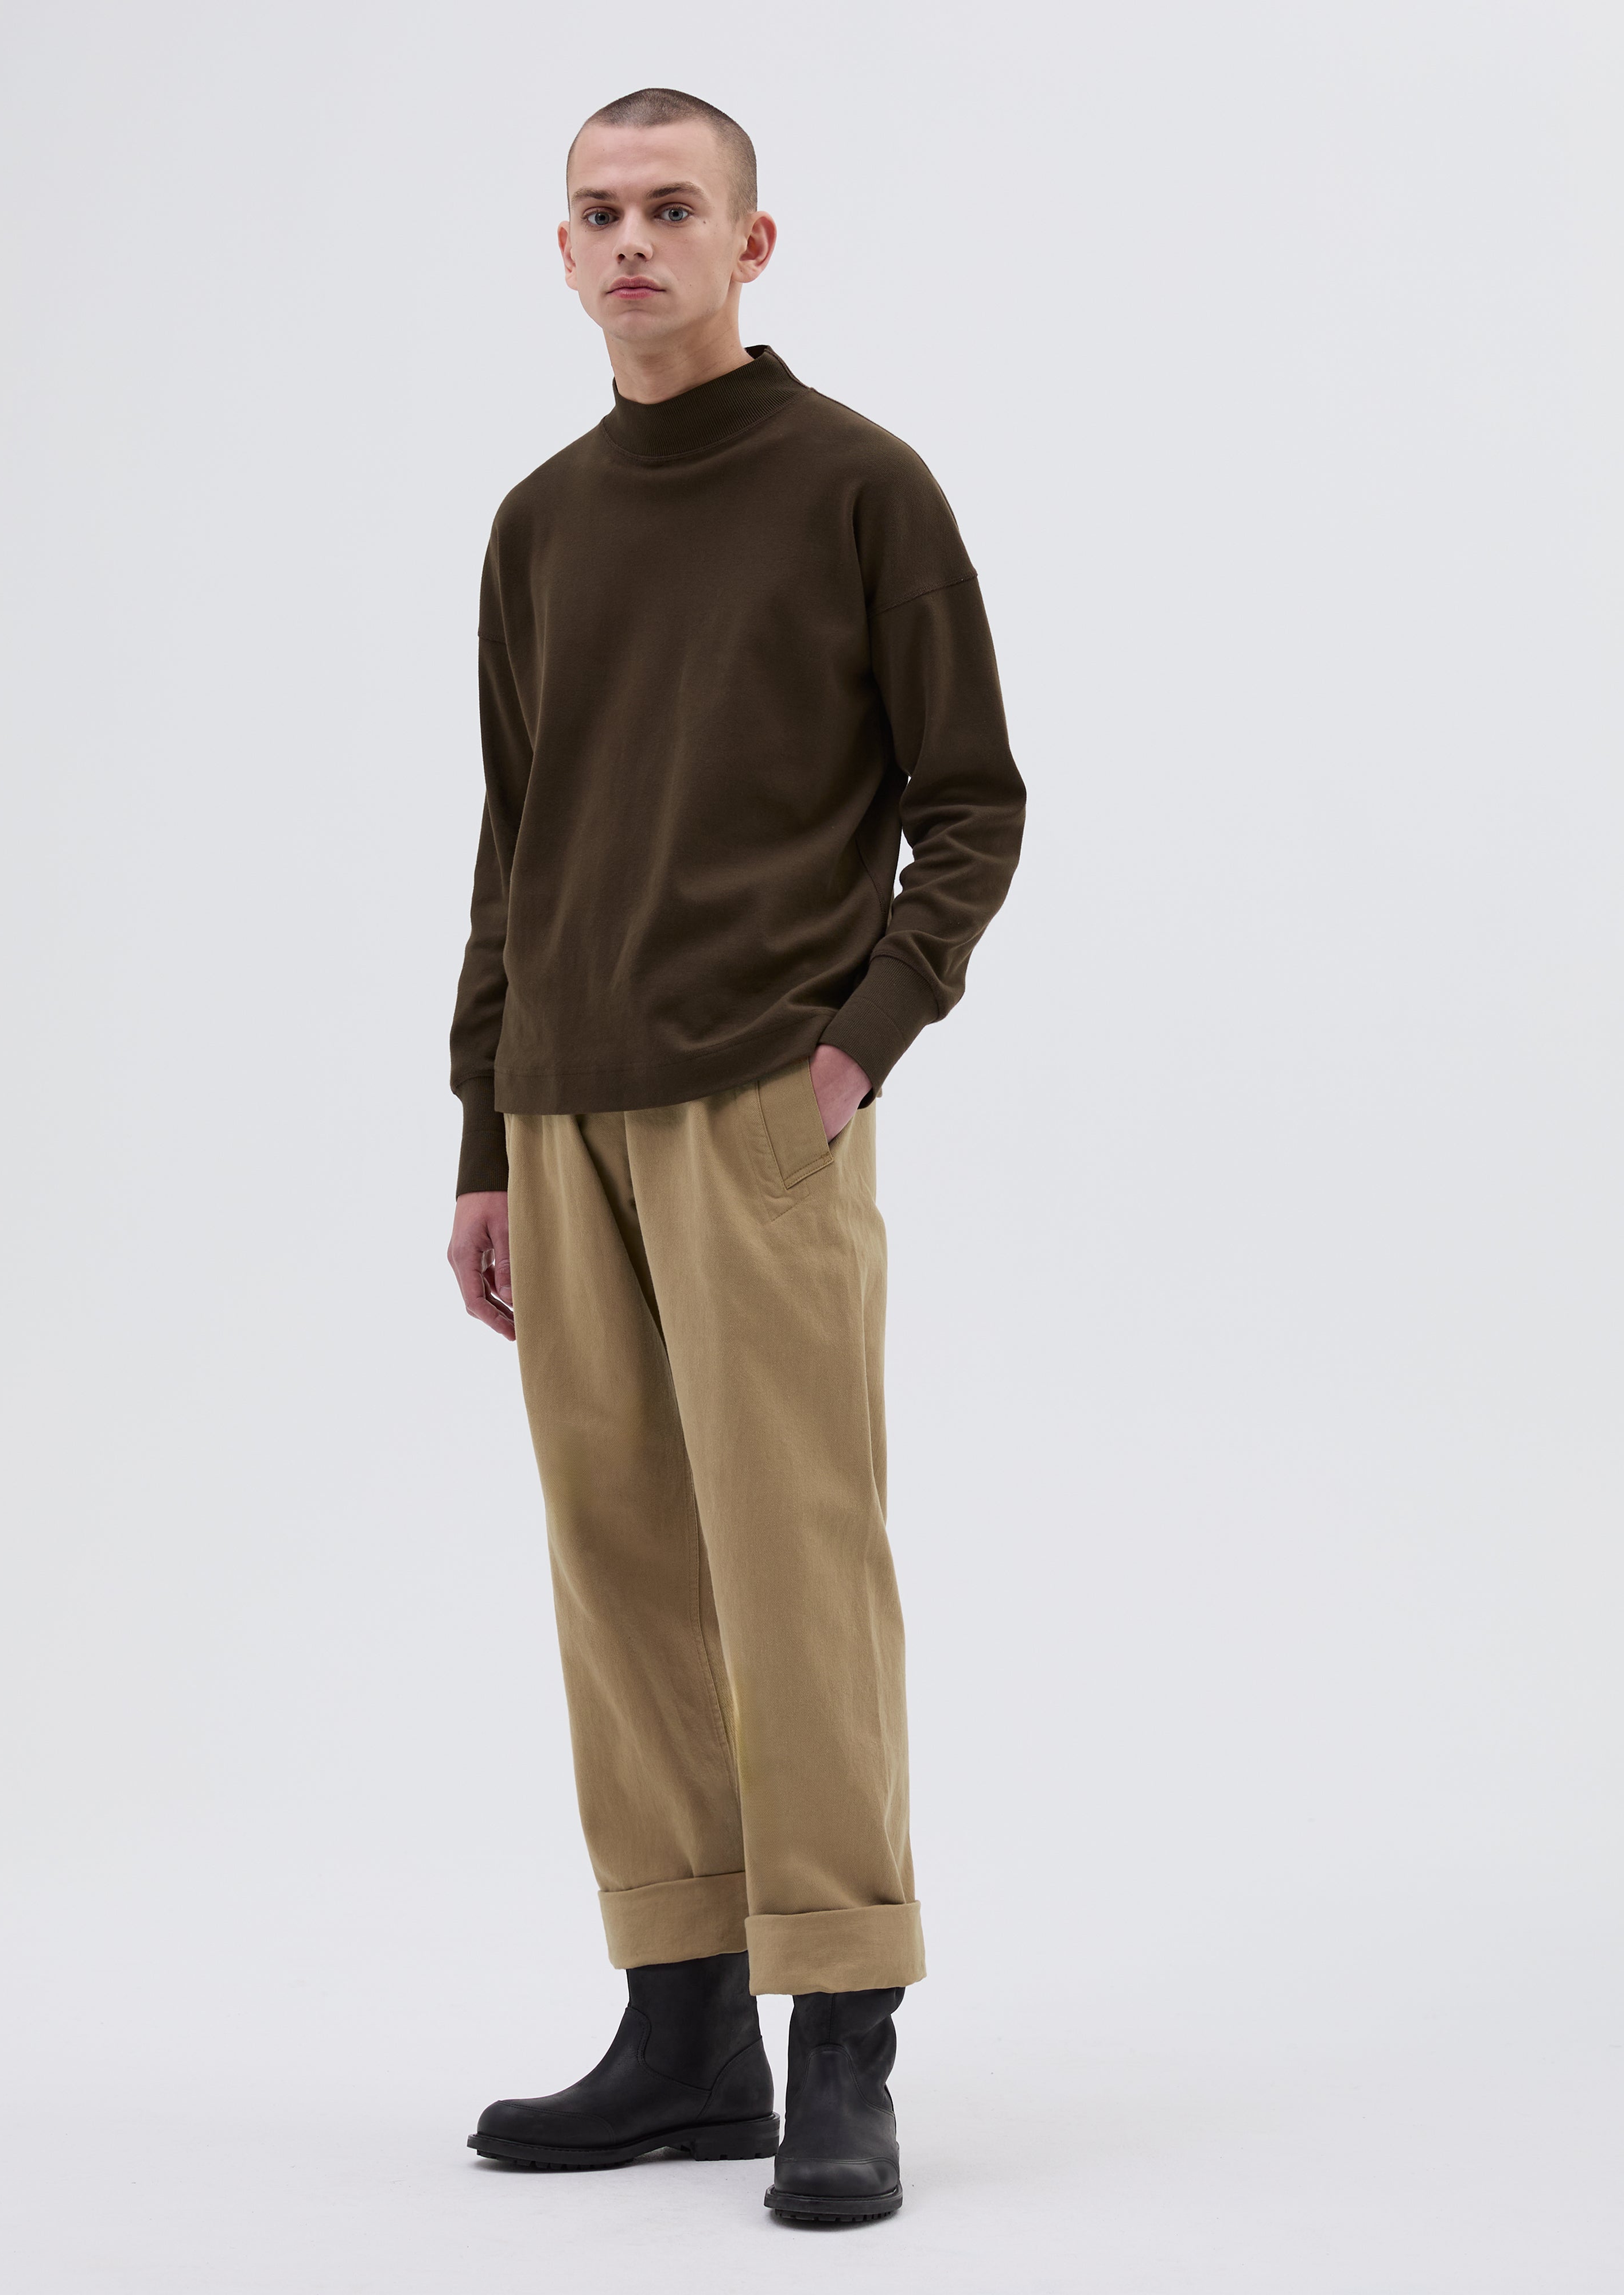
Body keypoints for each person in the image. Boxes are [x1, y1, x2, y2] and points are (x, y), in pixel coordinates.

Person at [447, 86, 1024, 2226]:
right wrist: (481, 1131)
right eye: (597, 212)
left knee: (797, 1563)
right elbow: (516, 843)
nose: (631, 243)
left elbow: (972, 805)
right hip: (562, 1105)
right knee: (619, 1573)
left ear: (750, 244)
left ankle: (841, 2028)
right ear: (563, 248)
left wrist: (858, 1048)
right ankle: (682, 2023)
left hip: (761, 1106)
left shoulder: (858, 485)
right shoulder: (539, 523)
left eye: (672, 207)